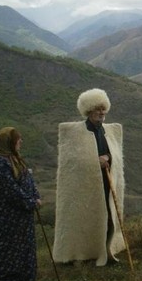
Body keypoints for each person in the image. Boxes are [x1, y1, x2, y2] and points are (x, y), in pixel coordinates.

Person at [53, 88, 126, 266]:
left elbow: (114, 154)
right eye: (97, 109)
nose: (101, 113)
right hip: (85, 186)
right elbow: (73, 163)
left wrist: (108, 158)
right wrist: (95, 162)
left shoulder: (108, 131)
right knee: (85, 216)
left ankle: (107, 248)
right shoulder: (76, 133)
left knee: (108, 215)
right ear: (88, 110)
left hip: (106, 181)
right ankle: (84, 252)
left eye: (103, 109)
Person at [0, 127, 41, 281]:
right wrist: (31, 202)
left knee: (23, 248)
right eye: (18, 139)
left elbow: (28, 181)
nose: (21, 141)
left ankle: (25, 278)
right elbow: (10, 191)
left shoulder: (15, 159)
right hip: (7, 219)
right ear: (8, 142)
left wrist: (35, 196)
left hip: (21, 217)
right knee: (8, 249)